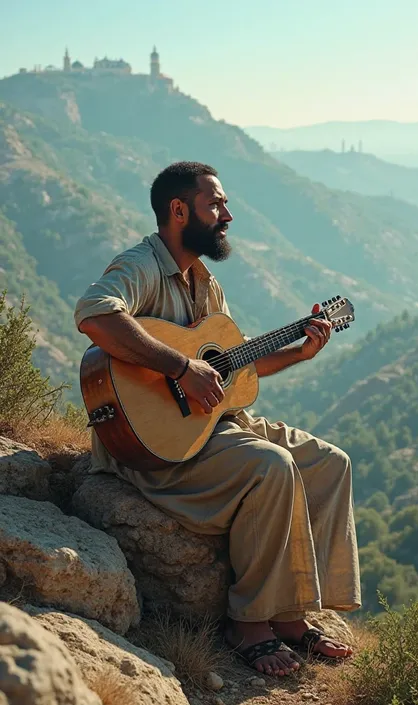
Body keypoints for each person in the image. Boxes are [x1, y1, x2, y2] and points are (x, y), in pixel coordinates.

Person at [75, 161, 361, 677]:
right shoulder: (141, 265)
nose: (227, 215)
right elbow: (94, 314)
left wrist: (299, 351)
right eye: (216, 204)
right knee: (270, 467)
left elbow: (231, 367)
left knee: (329, 463)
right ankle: (248, 624)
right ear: (179, 211)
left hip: (213, 426)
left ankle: (294, 615)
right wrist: (180, 365)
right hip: (152, 443)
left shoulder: (205, 283)